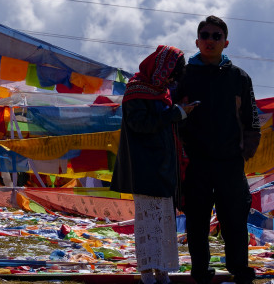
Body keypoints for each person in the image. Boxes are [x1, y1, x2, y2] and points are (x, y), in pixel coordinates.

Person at [176, 15, 261, 284]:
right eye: (205, 35)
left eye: (216, 36)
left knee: (234, 218)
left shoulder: (239, 77)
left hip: (230, 161)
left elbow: (252, 119)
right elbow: (171, 113)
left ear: (226, 42)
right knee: (197, 221)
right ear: (197, 41)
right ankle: (200, 270)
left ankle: (239, 269)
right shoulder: (184, 76)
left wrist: (244, 152)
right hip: (196, 161)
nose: (210, 40)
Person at [111, 45, 194, 284]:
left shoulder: (161, 92)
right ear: (159, 67)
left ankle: (162, 270)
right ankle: (147, 272)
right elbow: (141, 125)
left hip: (163, 167)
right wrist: (175, 114)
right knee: (148, 221)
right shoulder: (136, 91)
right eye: (169, 74)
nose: (170, 80)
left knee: (163, 221)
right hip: (145, 167)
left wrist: (181, 112)